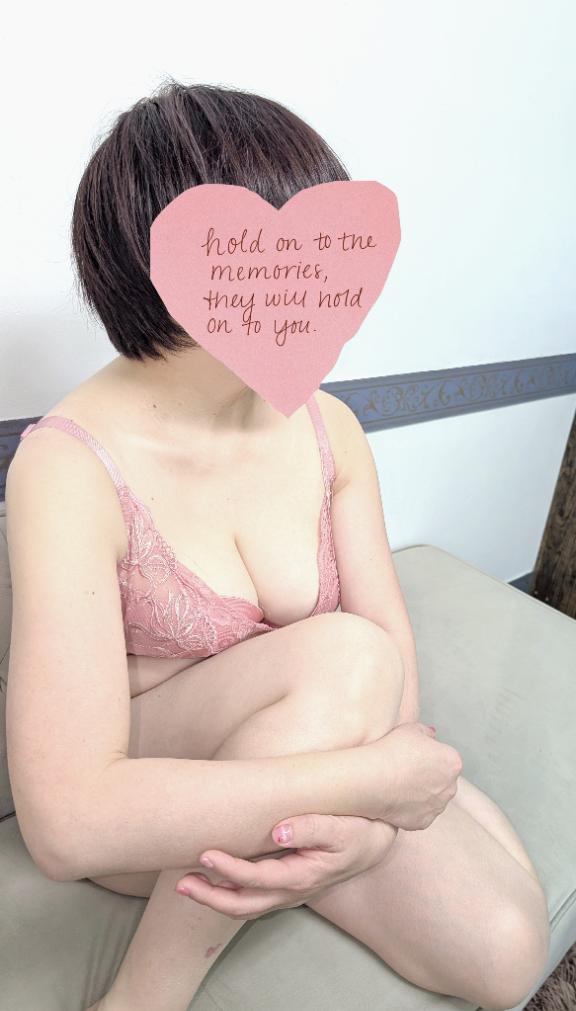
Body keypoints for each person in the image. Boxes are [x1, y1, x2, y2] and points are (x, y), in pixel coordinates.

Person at [6, 78, 549, 1011]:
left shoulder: (330, 428)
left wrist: (366, 829)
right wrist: (373, 783)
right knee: (344, 656)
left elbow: (392, 657)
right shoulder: (68, 466)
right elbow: (68, 818)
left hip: (321, 740)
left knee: (507, 952)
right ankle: (141, 995)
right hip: (159, 802)